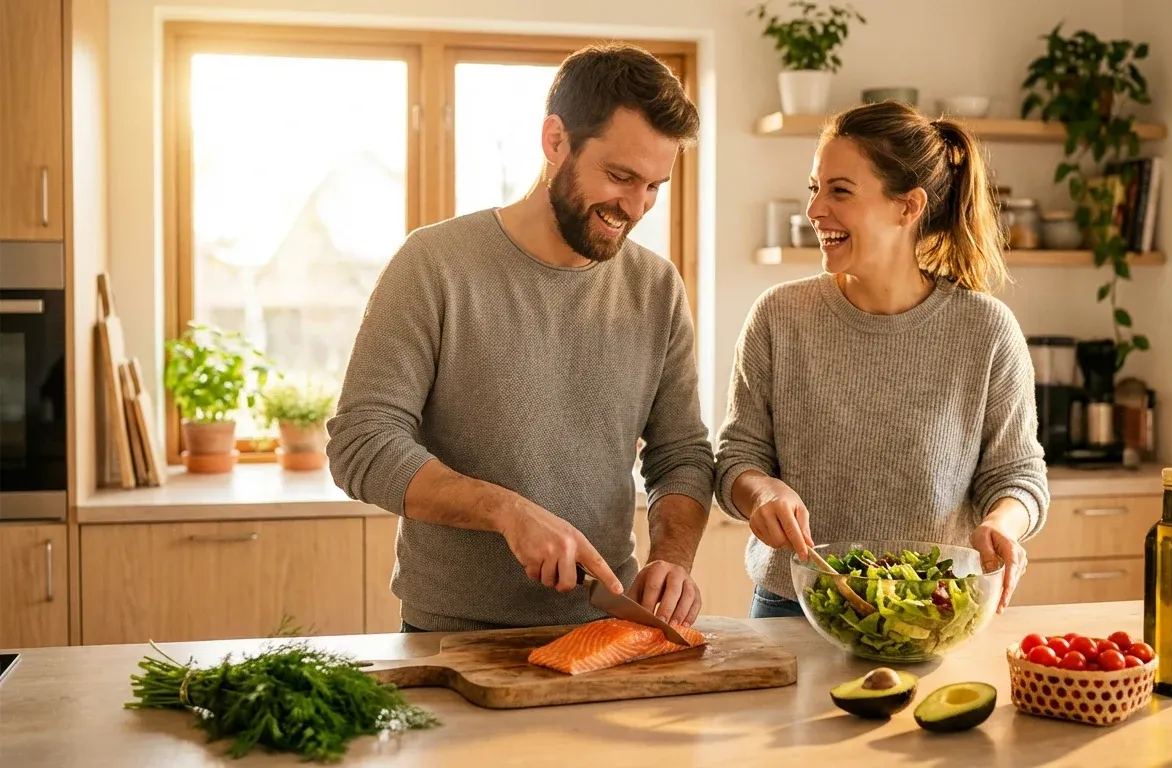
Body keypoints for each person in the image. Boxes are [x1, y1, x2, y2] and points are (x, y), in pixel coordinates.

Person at [326, 43, 715, 633]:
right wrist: (505, 512)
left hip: (604, 625)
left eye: (655, 186)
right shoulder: (435, 264)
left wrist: (672, 558)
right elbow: (361, 443)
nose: (635, 207)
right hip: (450, 634)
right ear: (555, 140)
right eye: (620, 177)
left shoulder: (656, 287)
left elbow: (681, 453)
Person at [714, 100, 1050, 619]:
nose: (815, 209)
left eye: (840, 190)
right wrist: (760, 491)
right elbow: (738, 455)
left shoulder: (984, 330)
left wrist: (1002, 524)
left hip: (932, 608)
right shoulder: (779, 317)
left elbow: (1018, 475)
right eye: (815, 188)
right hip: (795, 607)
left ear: (907, 207)